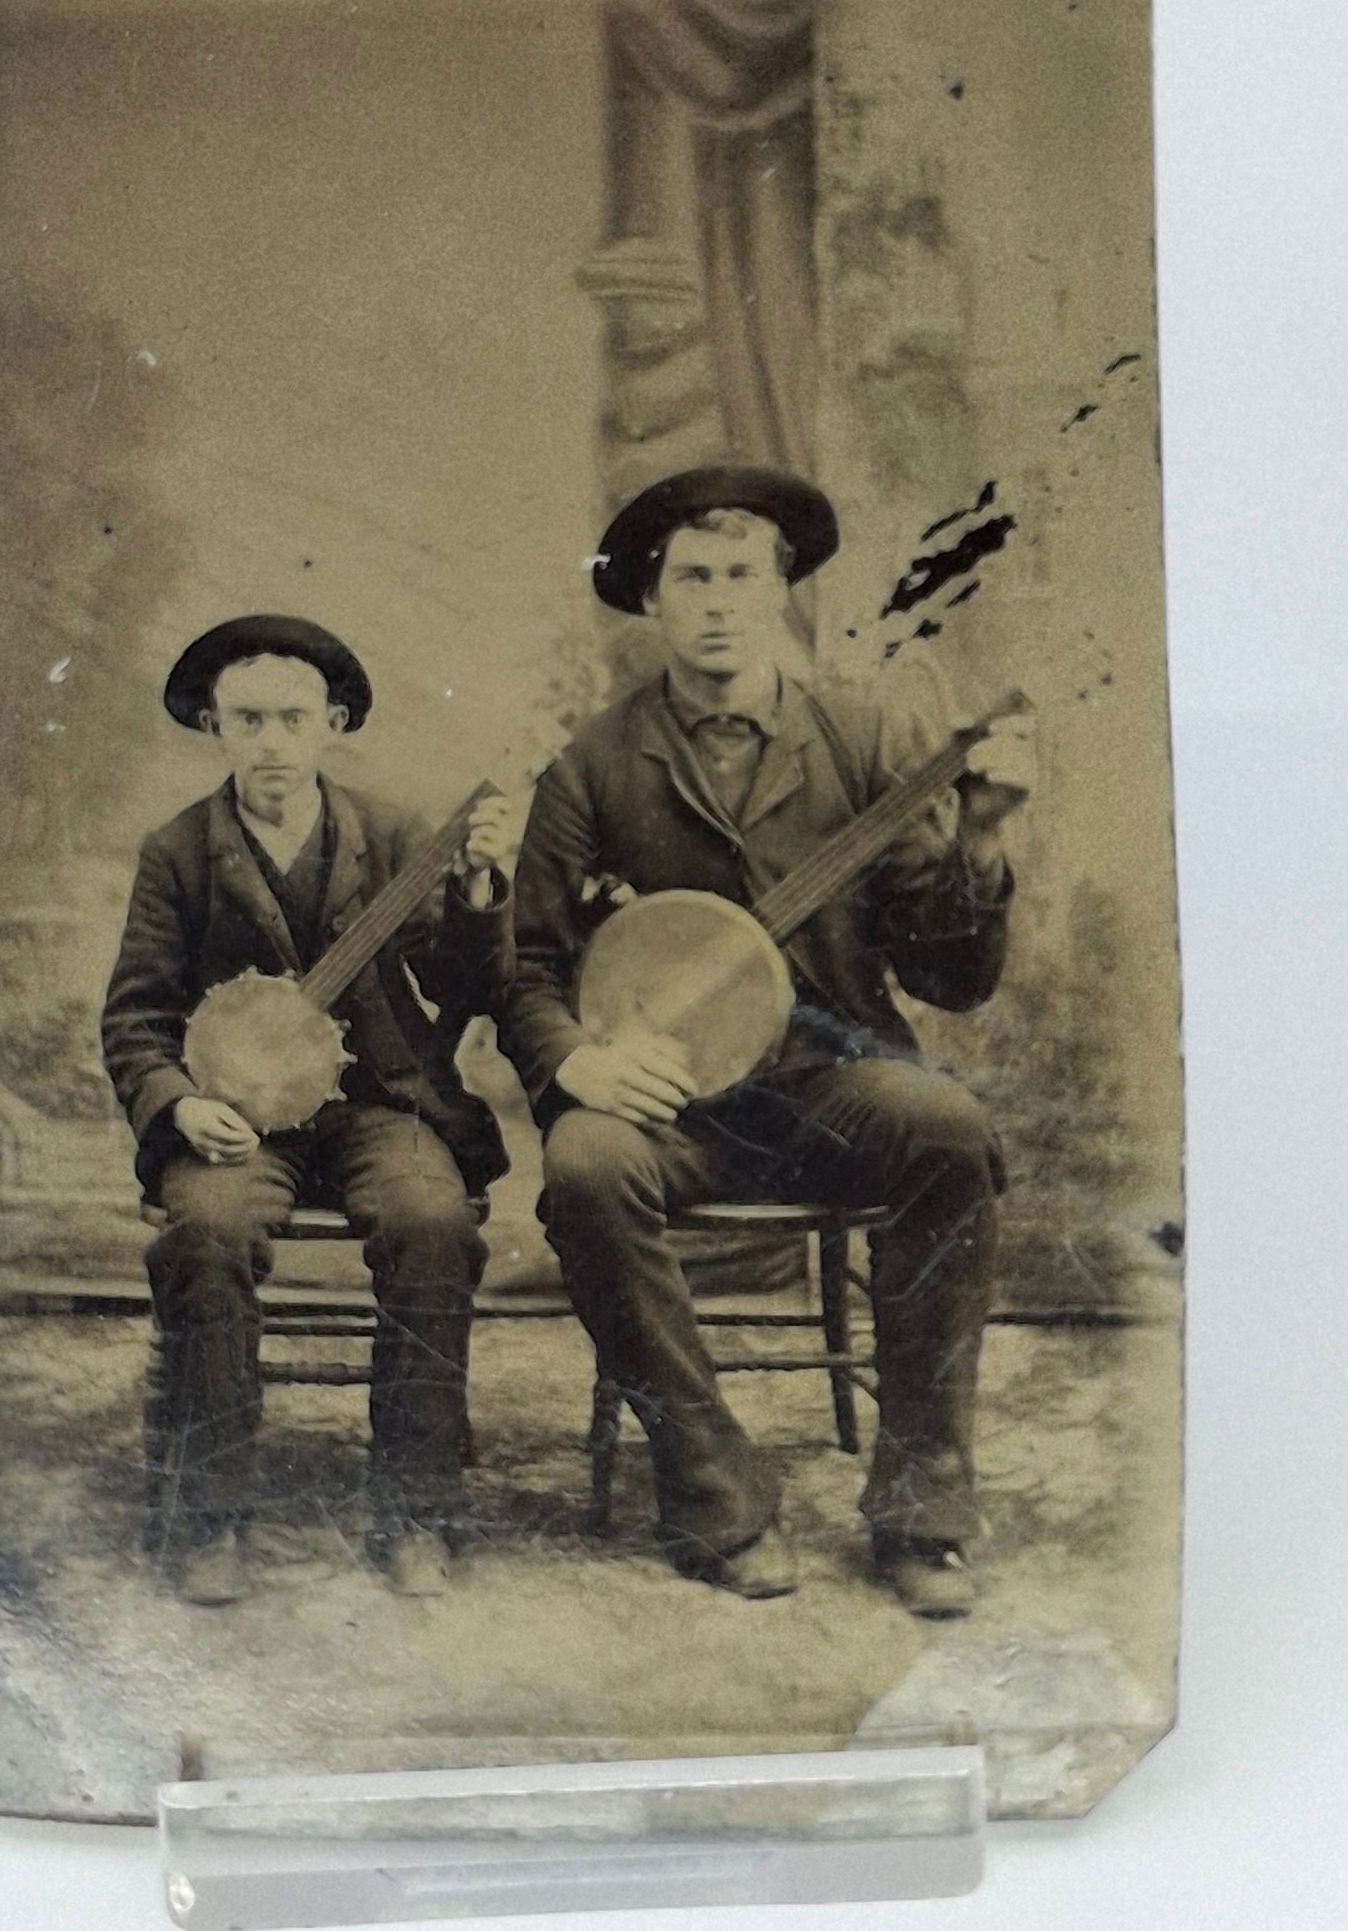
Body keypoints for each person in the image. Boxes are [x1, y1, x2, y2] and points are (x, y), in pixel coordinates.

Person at [498, 467, 1035, 1614]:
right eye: (692, 577)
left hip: (830, 1087)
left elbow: (949, 978)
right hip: (671, 1108)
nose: (718, 601)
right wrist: (582, 1062)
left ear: (781, 590)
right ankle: (717, 1498)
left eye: (742, 575)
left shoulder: (862, 738)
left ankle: (921, 1515)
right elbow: (527, 964)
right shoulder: (592, 764)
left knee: (946, 1127)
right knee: (584, 1164)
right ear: (652, 599)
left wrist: (979, 847)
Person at [101, 615, 514, 1604]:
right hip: (239, 1122)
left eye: (293, 718)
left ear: (333, 723)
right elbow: (135, 1016)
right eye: (249, 720)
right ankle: (212, 1513)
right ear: (214, 726)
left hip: (381, 1104)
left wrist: (479, 894)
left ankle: (415, 1511)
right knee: (205, 1230)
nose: (273, 742)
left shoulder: (394, 836)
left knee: (432, 1223)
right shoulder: (179, 852)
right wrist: (178, 1106)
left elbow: (466, 987)